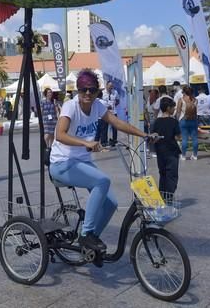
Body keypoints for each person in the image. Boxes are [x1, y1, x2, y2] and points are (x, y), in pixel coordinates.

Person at [49, 69, 152, 253]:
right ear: (77, 91)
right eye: (83, 90)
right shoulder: (70, 106)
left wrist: (144, 135)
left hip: (81, 162)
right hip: (61, 163)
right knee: (102, 181)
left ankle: (91, 241)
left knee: (111, 203)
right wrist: (86, 143)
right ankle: (86, 234)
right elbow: (60, 134)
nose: (87, 93)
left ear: (98, 91)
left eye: (92, 89)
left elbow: (117, 123)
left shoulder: (97, 105)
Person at [152, 97, 181, 195]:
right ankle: (169, 197)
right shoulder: (173, 122)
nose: (174, 110)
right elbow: (178, 137)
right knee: (172, 175)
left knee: (162, 174)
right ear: (168, 108)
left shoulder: (156, 121)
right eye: (173, 108)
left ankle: (162, 196)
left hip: (160, 151)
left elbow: (153, 136)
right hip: (172, 151)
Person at [175, 85, 198, 160]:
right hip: (193, 120)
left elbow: (178, 112)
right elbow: (195, 112)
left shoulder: (181, 100)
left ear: (184, 92)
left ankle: (184, 155)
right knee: (194, 138)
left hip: (184, 120)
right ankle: (195, 155)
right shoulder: (195, 100)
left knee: (184, 139)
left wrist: (177, 121)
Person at [41, 88, 60, 161]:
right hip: (46, 120)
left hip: (53, 120)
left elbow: (57, 111)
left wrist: (58, 119)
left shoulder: (54, 101)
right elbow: (41, 110)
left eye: (51, 92)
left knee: (52, 136)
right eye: (48, 92)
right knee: (46, 135)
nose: (50, 94)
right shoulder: (43, 102)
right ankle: (47, 147)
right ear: (46, 94)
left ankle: (50, 150)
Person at [101, 81, 120, 147]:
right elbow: (100, 102)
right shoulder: (102, 93)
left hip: (113, 112)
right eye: (109, 86)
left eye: (112, 86)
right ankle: (104, 142)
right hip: (105, 112)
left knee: (115, 127)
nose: (111, 88)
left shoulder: (115, 92)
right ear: (106, 86)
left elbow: (118, 100)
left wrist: (114, 105)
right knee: (104, 128)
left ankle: (114, 141)